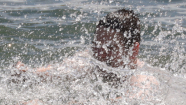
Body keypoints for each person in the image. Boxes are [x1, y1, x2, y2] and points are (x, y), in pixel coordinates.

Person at [13, 9, 143, 84]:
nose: (100, 53)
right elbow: (55, 72)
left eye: (110, 48)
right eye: (96, 45)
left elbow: (129, 104)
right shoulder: (88, 62)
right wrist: (26, 73)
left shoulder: (142, 79)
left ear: (133, 50)